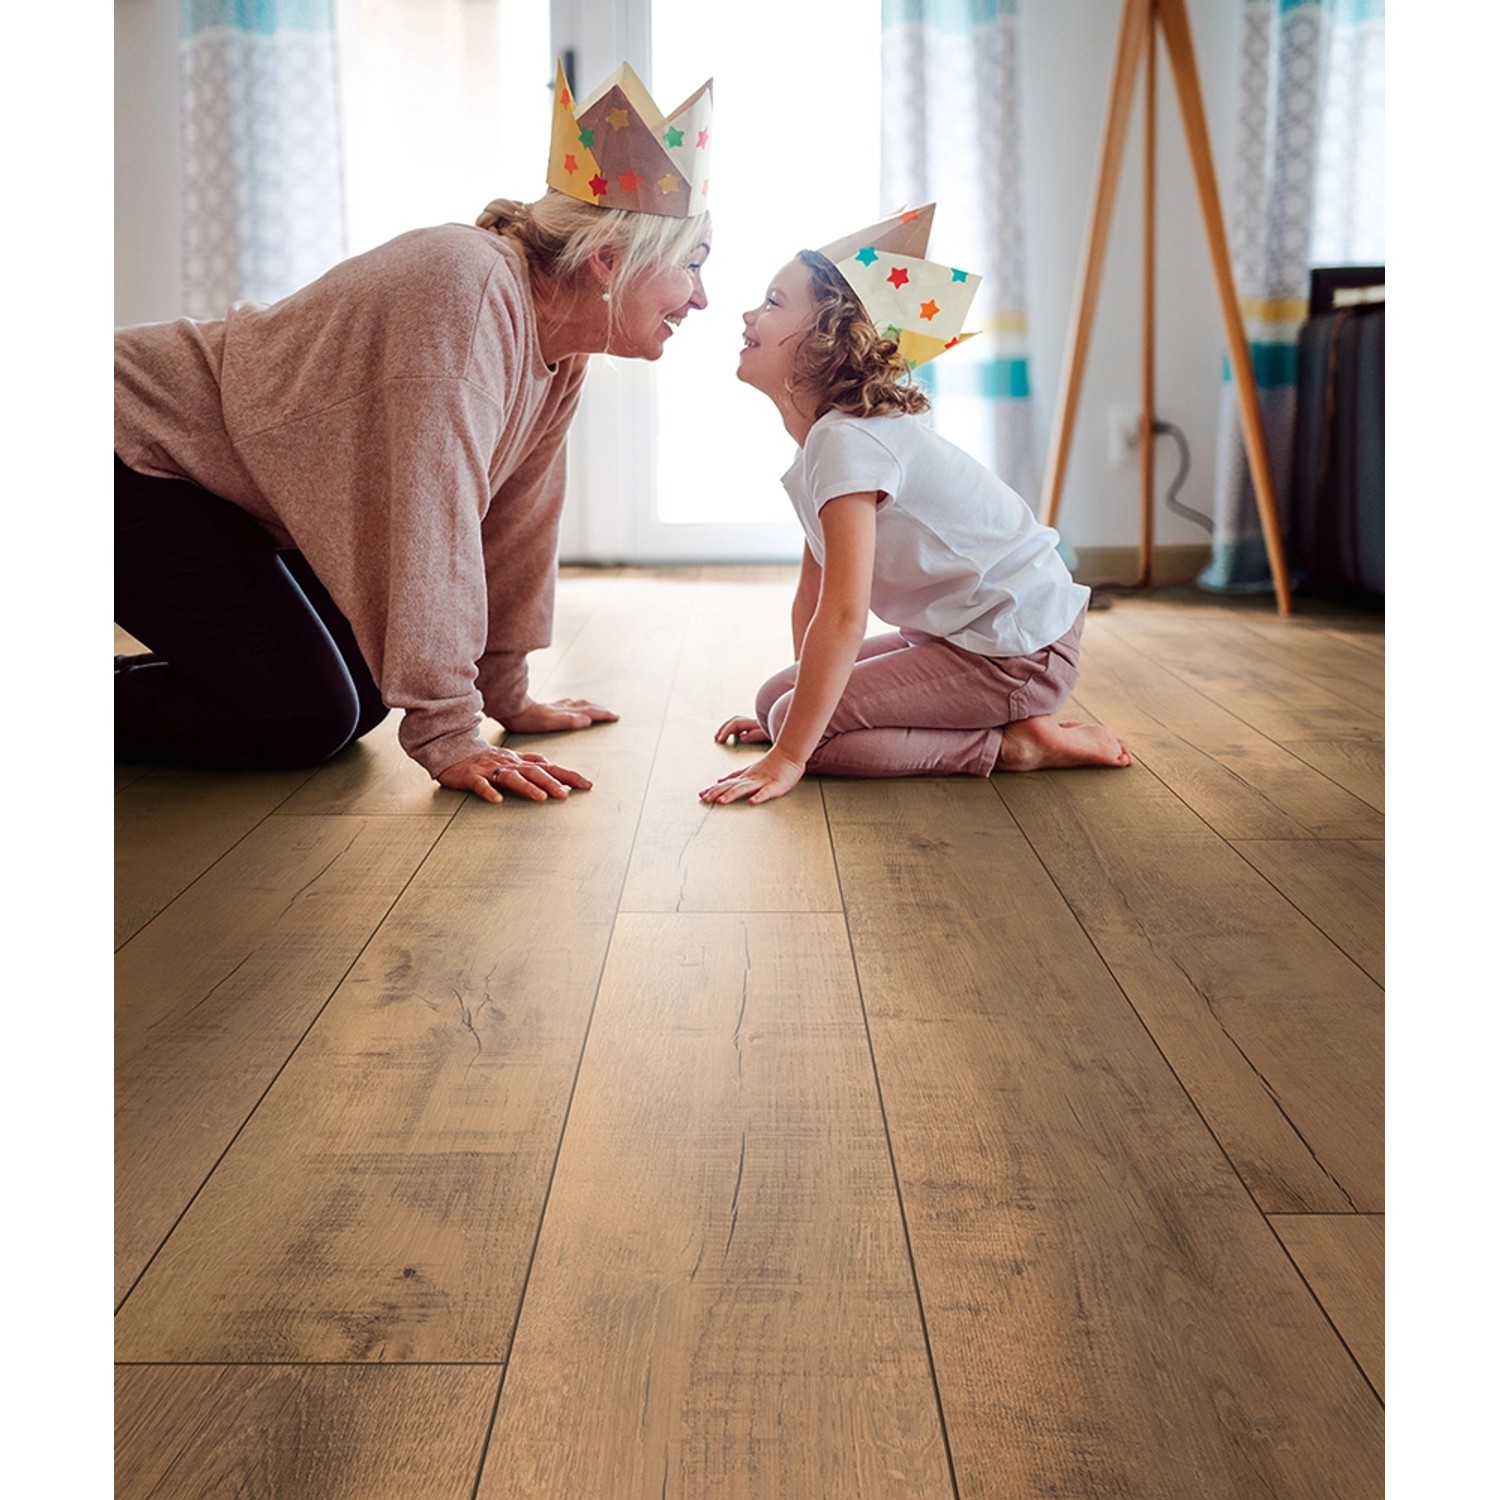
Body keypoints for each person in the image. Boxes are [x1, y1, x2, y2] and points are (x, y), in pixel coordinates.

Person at [116, 62, 713, 804]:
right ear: (607, 261)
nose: (704, 299)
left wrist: (503, 691)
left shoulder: (559, 351)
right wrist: (447, 733)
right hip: (129, 444)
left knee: (365, 687)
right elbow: (431, 517)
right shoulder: (465, 289)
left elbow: (516, 518)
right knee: (309, 715)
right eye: (693, 267)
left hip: (222, 489)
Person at [700, 206, 1132, 808]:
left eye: (773, 302)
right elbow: (815, 597)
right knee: (778, 698)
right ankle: (1011, 727)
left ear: (828, 339)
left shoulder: (847, 443)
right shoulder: (825, 445)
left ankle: (1014, 747)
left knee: (803, 734)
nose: (750, 313)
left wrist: (793, 747)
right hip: (972, 638)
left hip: (1019, 652)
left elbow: (846, 615)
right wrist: (805, 709)